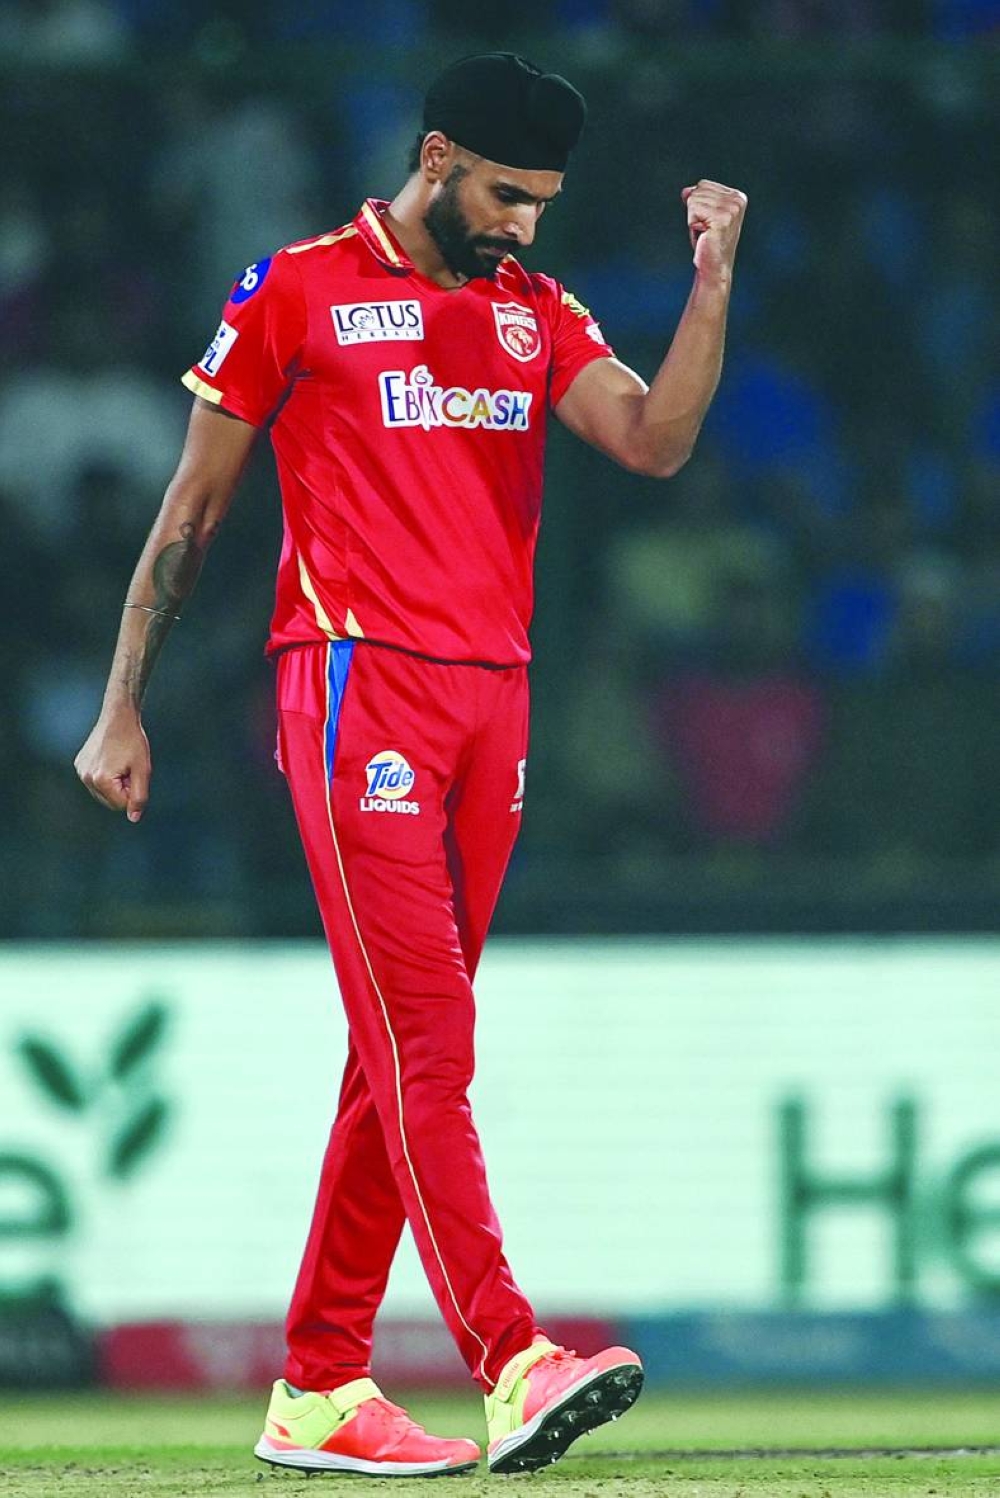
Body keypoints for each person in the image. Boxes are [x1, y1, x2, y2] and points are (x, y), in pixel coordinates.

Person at [75, 52, 746, 1476]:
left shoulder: (533, 313)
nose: (524, 227)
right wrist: (118, 703)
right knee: (428, 1042)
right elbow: (191, 514)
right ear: (437, 156)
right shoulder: (296, 290)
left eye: (546, 205)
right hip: (353, 691)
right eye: (507, 195)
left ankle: (318, 1387)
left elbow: (655, 439)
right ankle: (512, 1354)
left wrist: (710, 282)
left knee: (394, 1058)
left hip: (492, 709)